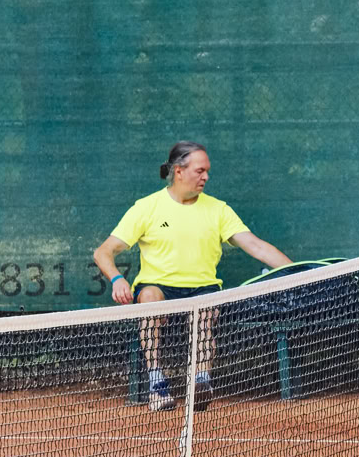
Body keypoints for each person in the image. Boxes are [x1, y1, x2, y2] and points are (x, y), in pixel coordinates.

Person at [93, 141, 292, 411]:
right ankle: (157, 385)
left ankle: (201, 382)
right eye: (200, 171)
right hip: (160, 287)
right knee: (149, 298)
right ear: (178, 171)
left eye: (207, 171)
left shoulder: (218, 209)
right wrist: (117, 279)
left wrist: (296, 273)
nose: (206, 177)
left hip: (203, 288)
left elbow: (256, 246)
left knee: (208, 308)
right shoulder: (146, 207)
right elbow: (104, 252)